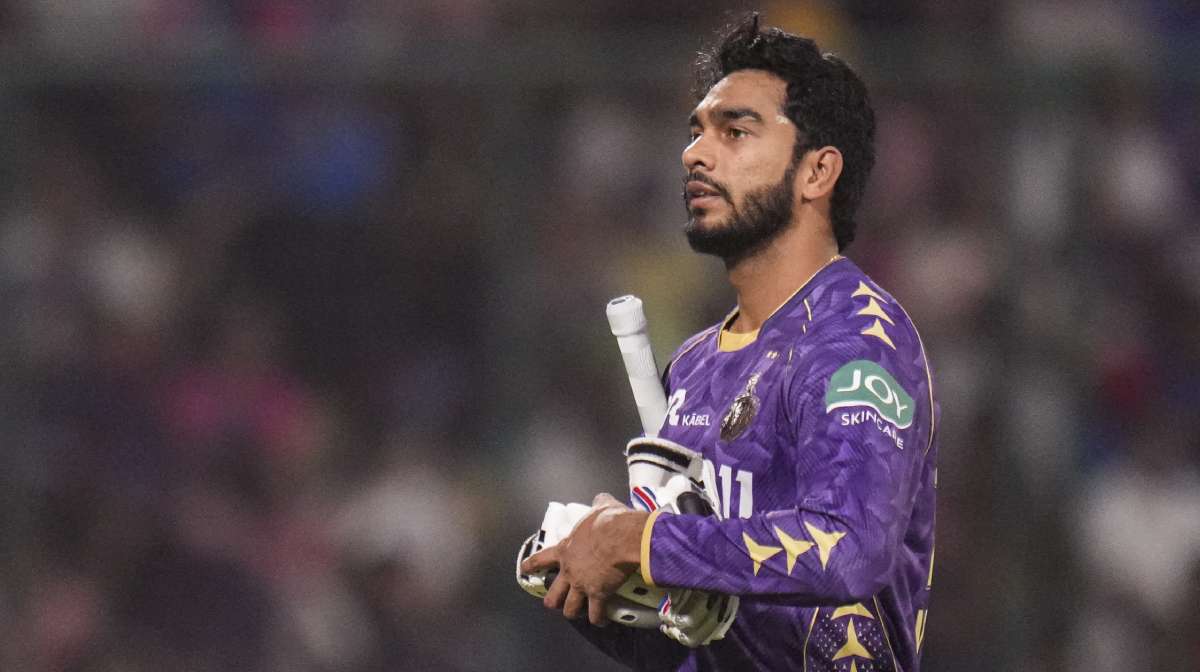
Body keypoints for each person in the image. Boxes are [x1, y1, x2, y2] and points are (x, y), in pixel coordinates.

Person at [521, 14, 938, 671]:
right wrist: (595, 583)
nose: (696, 154)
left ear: (816, 172)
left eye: (736, 131)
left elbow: (853, 548)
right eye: (697, 132)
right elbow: (698, 636)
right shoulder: (692, 367)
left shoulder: (853, 340)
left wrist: (644, 541)